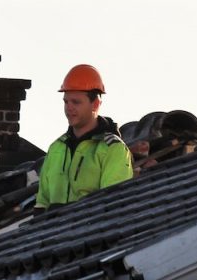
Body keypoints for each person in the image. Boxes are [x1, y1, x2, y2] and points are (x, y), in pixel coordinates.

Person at [34, 64, 133, 210]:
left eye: (76, 102)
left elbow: (112, 203)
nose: (69, 108)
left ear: (96, 104)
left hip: (91, 230)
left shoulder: (113, 149)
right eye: (66, 101)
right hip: (55, 232)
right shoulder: (56, 148)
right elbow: (42, 201)